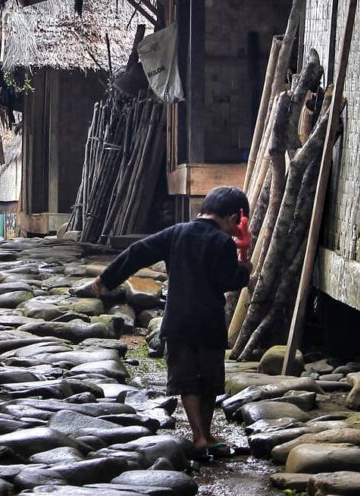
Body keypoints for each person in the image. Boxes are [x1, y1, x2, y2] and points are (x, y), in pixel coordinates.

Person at [79, 186, 251, 459]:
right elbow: (230, 281)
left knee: (186, 382)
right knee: (209, 381)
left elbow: (137, 252)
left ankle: (198, 437)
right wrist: (244, 262)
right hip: (209, 323)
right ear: (234, 218)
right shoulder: (223, 243)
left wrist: (105, 280)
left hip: (178, 321)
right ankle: (206, 434)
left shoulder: (176, 232)